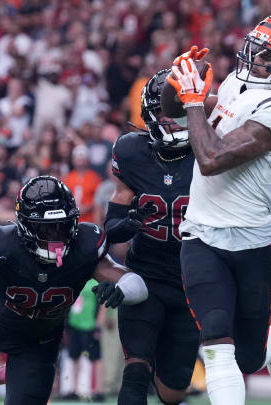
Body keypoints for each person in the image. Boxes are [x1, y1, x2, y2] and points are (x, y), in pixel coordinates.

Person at [168, 13, 271, 405]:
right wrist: (179, 78)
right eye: (258, 48)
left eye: (269, 57)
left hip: (252, 242)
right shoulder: (238, 82)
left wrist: (195, 101)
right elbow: (174, 108)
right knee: (216, 340)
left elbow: (212, 158)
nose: (254, 58)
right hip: (201, 233)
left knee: (249, 357)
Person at [0, 176, 148, 405]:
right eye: (45, 228)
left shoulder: (84, 245)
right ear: (25, 224)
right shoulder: (4, 242)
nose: (55, 234)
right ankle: (15, 365)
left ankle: (17, 369)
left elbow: (135, 282)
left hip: (39, 340)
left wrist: (122, 291)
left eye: (62, 226)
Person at [105, 68, 199, 405]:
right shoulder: (132, 151)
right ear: (148, 111)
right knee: (135, 371)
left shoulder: (210, 152)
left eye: (181, 110)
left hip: (194, 282)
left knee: (173, 393)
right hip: (146, 277)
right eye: (165, 110)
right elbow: (111, 230)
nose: (173, 119)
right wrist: (130, 224)